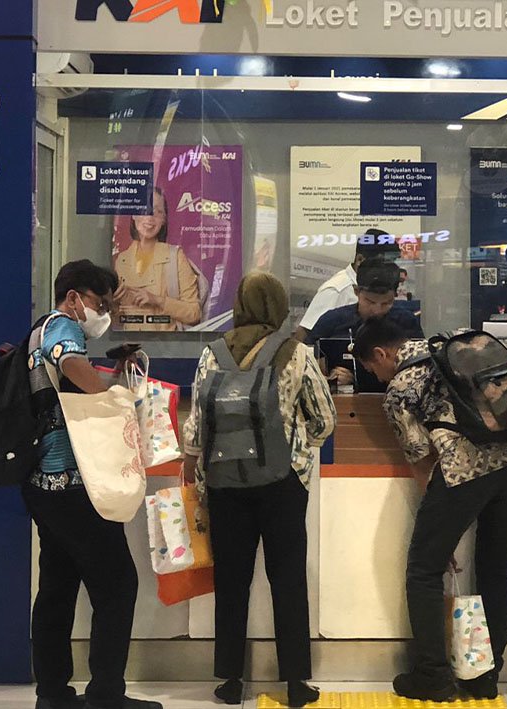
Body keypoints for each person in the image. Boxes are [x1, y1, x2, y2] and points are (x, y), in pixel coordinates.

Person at [355, 318, 507, 703]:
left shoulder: (400, 388)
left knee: (424, 569)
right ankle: (486, 677)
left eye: (371, 368)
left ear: (381, 353)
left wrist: (438, 529)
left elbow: (420, 458)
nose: (375, 376)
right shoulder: (461, 343)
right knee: (496, 570)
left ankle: (433, 675)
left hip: (466, 468)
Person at [183, 272, 337, 708]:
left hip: (224, 481)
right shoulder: (296, 353)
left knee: (231, 580)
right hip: (282, 483)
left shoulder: (212, 353)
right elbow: (324, 420)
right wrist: (296, 445)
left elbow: (197, 426)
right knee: (287, 579)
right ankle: (296, 683)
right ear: (279, 306)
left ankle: (231, 680)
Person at [23, 260, 161, 709]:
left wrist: (110, 376)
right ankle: (105, 694)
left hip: (43, 482)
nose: (103, 313)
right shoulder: (63, 327)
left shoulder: (38, 330)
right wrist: (112, 399)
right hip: (73, 482)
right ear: (73, 298)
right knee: (118, 583)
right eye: (100, 304)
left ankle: (52, 693)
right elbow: (71, 363)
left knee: (57, 586)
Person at [305, 259, 424, 388]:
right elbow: (304, 360)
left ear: (395, 295)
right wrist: (327, 377)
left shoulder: (406, 321)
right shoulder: (332, 321)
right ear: (356, 291)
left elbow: (420, 363)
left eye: (386, 303)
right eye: (370, 302)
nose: (377, 310)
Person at [114, 186, 203, 332]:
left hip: (167, 344)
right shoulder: (122, 260)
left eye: (158, 212)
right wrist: (114, 305)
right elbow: (117, 319)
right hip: (130, 343)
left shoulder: (175, 257)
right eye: (144, 210)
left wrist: (157, 300)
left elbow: (194, 313)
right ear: (133, 215)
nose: (150, 218)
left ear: (164, 220)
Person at [295, 229, 401, 340]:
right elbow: (303, 335)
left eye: (392, 263)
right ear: (360, 259)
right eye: (382, 263)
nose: (387, 269)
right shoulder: (337, 289)